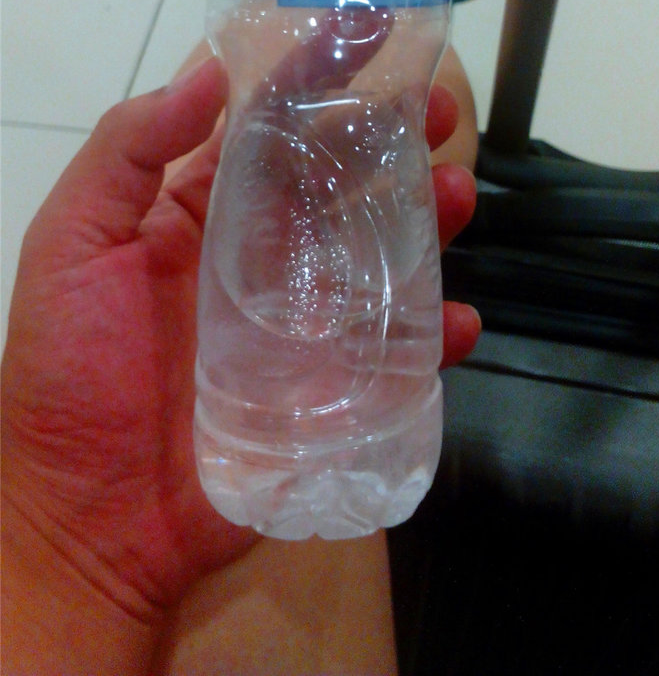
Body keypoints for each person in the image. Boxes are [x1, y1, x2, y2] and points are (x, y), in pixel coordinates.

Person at [1, 45, 480, 675]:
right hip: (336, 448)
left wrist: (60, 539)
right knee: (434, 86)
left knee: (246, 109)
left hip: (106, 573)